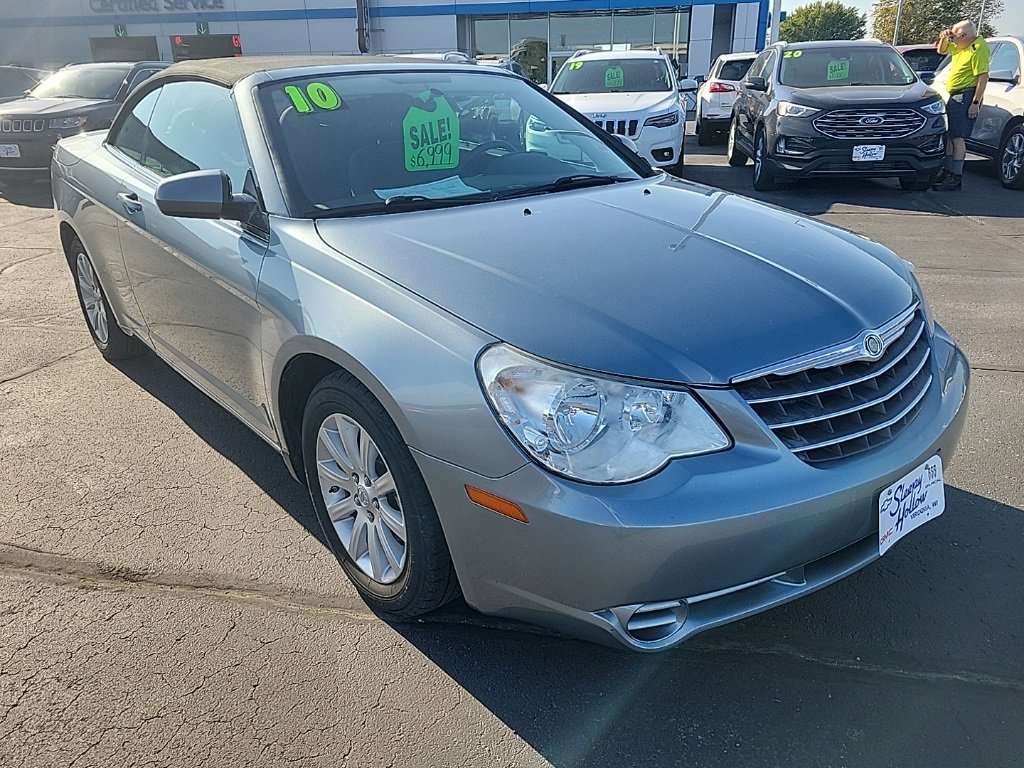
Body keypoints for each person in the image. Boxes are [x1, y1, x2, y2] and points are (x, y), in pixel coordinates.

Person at [932, 20, 990, 191]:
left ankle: (955, 176)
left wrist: (975, 103)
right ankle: (947, 171)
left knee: (958, 138)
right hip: (955, 94)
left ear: (964, 35)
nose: (952, 40)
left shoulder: (978, 48)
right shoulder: (961, 46)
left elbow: (983, 77)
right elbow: (942, 50)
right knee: (951, 135)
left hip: (966, 95)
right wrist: (944, 37)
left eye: (954, 36)